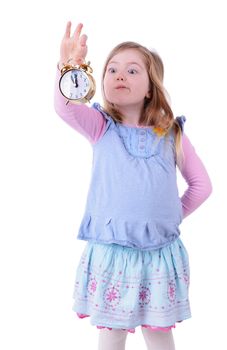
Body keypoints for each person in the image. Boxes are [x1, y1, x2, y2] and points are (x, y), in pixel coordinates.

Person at [54, 22, 212, 350]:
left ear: (151, 87)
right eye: (112, 69)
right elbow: (64, 107)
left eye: (131, 70)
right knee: (111, 334)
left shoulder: (171, 134)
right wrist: (68, 67)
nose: (119, 75)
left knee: (158, 333)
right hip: (112, 253)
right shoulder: (101, 127)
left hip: (158, 254)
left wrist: (169, 216)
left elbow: (201, 185)